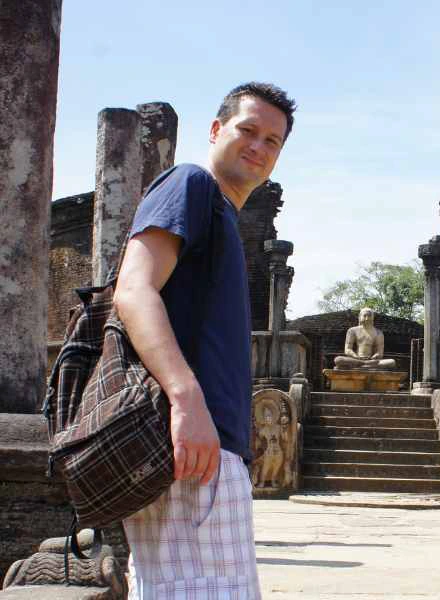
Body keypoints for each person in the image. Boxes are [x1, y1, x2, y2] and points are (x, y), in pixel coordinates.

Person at [114, 81, 295, 599]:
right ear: (216, 131)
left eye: (273, 141)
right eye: (248, 131)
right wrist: (185, 399)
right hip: (189, 442)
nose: (259, 147)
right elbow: (133, 288)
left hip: (207, 449)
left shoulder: (221, 219)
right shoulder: (190, 185)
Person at [333, 307, 397, 370]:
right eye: (364, 316)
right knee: (338, 360)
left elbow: (379, 352)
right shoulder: (352, 330)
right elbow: (347, 349)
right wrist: (356, 356)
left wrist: (374, 357)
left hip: (372, 360)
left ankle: (362, 365)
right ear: (360, 317)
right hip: (357, 359)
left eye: (369, 316)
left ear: (373, 317)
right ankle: (364, 364)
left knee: (392, 362)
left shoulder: (378, 333)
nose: (367, 318)